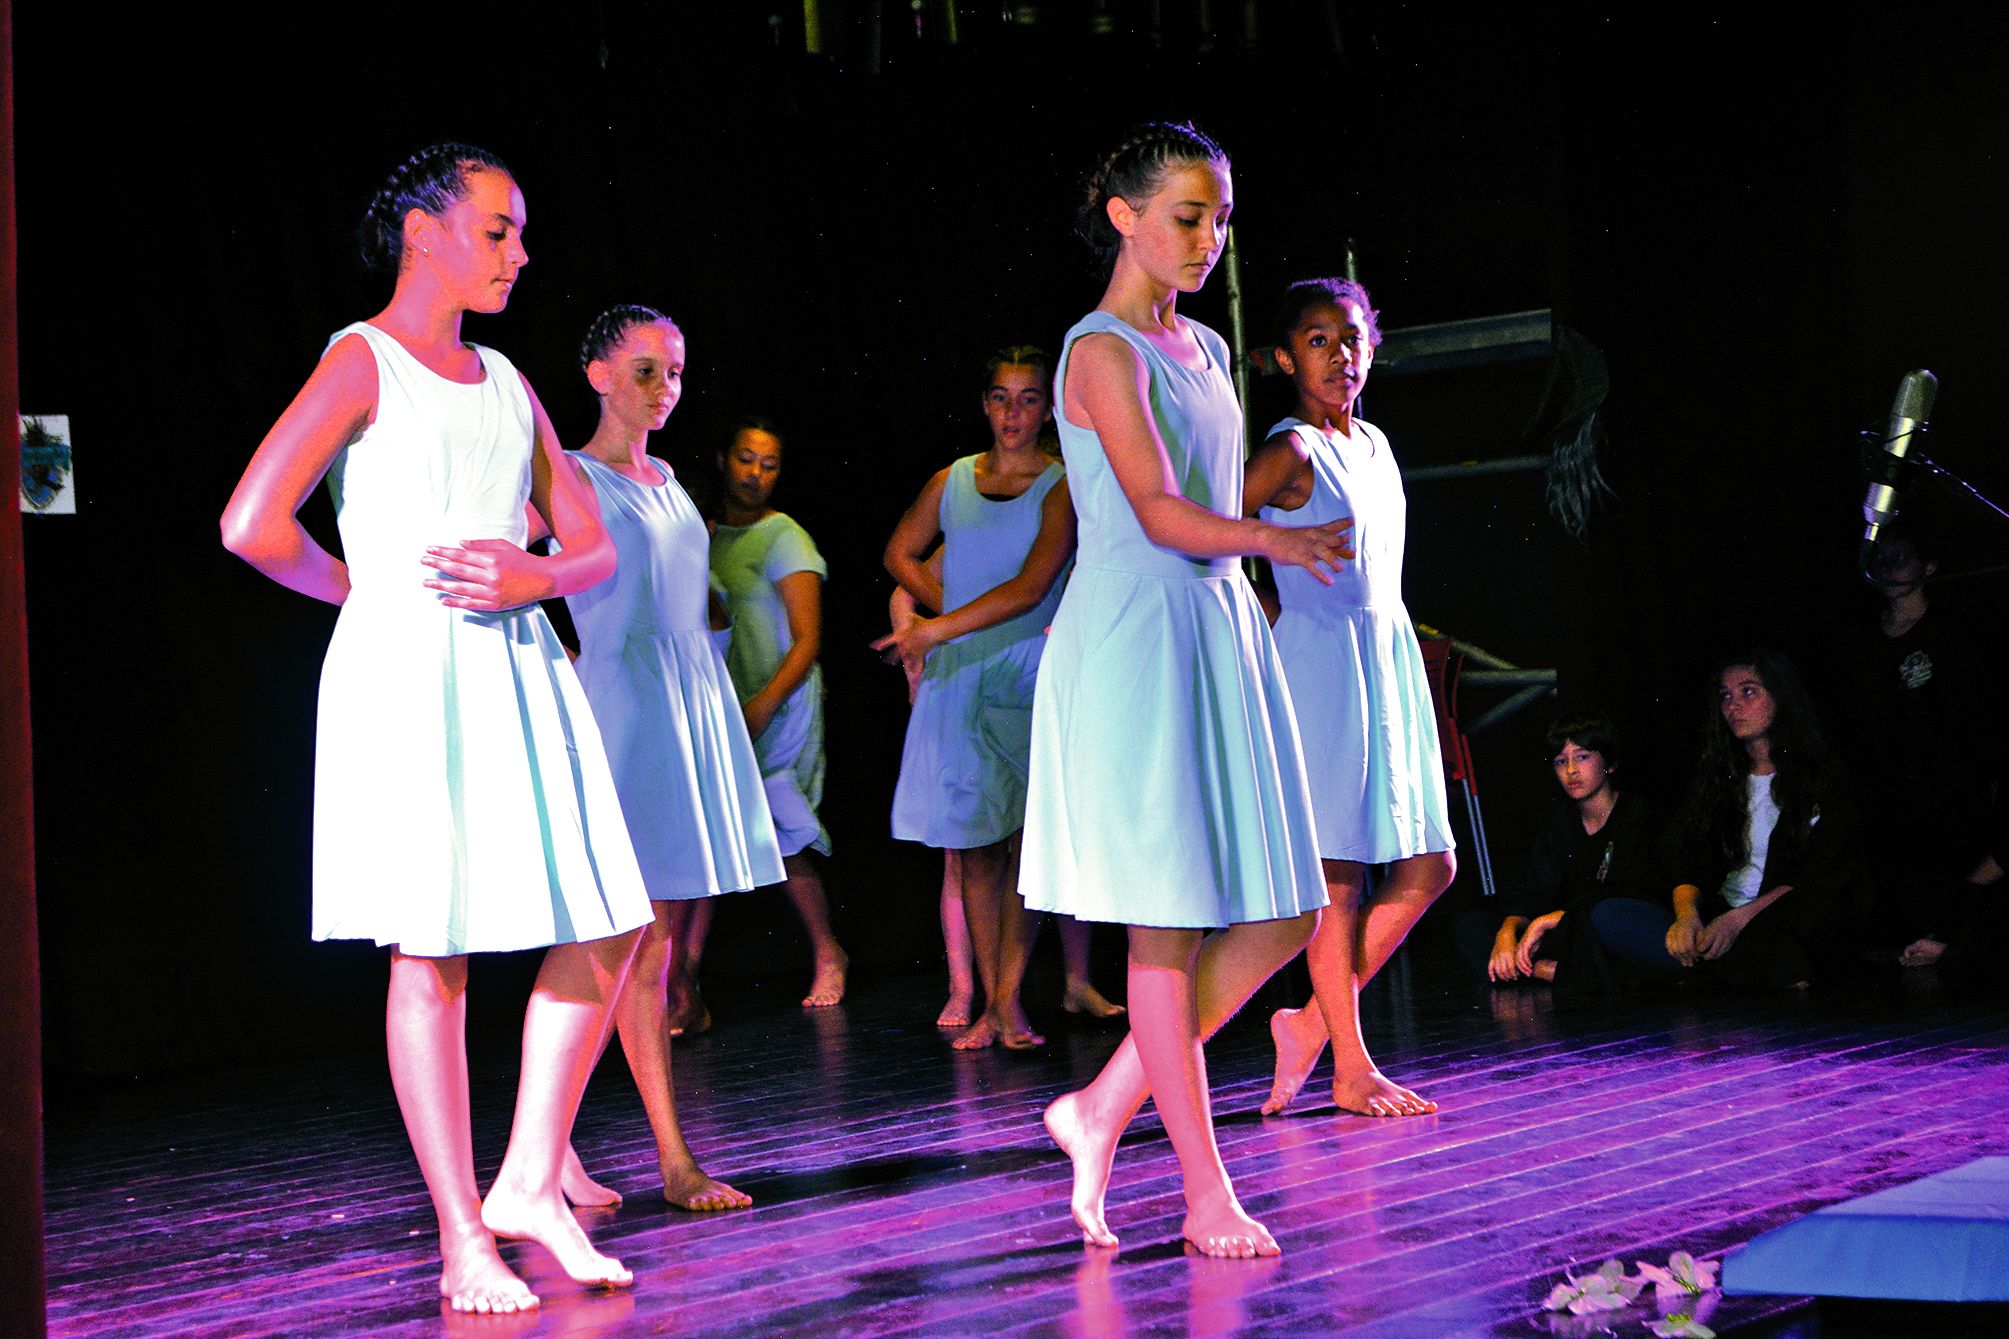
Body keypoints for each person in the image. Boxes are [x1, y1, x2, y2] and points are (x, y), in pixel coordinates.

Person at [219, 144, 646, 1312]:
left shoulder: (506, 381)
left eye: (519, 234)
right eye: (497, 230)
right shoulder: (362, 361)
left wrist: (532, 575)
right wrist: (368, 590)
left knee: (612, 918)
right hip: (412, 674)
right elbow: (253, 522)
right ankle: (464, 1234)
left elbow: (594, 545)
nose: (518, 251)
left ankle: (522, 1180)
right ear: (424, 232)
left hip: (515, 662)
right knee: (434, 947)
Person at [1021, 122, 1351, 1258]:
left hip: (1213, 628)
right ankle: (1203, 1189)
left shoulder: (1204, 347)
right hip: (1133, 633)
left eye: (1217, 217)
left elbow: (1204, 501)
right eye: (1184, 214)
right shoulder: (1096, 351)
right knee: (1162, 929)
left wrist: (1258, 546)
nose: (1208, 237)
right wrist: (1274, 537)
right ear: (1122, 214)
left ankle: (1101, 1107)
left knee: (1285, 909)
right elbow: (1159, 513)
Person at [545, 304, 772, 1212]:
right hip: (624, 710)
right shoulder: (565, 474)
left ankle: (652, 1156)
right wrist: (558, 662)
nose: (663, 388)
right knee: (608, 943)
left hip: (685, 701)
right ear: (597, 373)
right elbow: (518, 567)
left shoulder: (672, 476)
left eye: (673, 372)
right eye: (644, 370)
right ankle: (560, 1150)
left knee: (654, 947)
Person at [1241, 278, 1457, 1117]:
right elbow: (1208, 529)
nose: (1338, 355)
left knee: (1430, 864)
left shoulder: (1371, 440)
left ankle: (1307, 1024)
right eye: (1319, 339)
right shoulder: (1293, 448)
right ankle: (1349, 1061)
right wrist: (1266, 600)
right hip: (1322, 659)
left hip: (1384, 653)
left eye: (1352, 339)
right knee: (1338, 879)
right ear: (1285, 356)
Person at [877, 348, 1120, 1047]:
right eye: (1001, 397)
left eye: (1027, 399)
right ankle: (991, 1001)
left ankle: (1010, 999)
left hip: (1030, 672)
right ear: (984, 405)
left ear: (1046, 409)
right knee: (976, 848)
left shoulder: (1060, 485)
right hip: (962, 676)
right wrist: (943, 609)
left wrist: (940, 623)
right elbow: (899, 553)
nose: (1013, 413)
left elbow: (1032, 587)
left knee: (1025, 842)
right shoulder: (951, 480)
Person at [1590, 651, 1872, 990]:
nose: (1733, 706)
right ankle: (1719, 970)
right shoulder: (1720, 779)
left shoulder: (1819, 778)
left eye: (1748, 691)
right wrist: (1687, 917)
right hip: (1717, 915)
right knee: (1613, 915)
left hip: (1776, 915)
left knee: (1812, 927)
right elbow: (1687, 856)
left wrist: (1738, 921)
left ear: (1780, 697)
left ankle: (1704, 973)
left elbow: (1819, 873)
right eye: (1725, 696)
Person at [708, 418, 850, 1007]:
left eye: (769, 464)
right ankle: (682, 984)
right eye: (746, 459)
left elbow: (808, 639)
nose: (756, 474)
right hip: (722, 703)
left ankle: (828, 953)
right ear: (723, 460)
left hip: (778, 705)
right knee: (711, 836)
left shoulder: (784, 536)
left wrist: (763, 706)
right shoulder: (706, 533)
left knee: (782, 831)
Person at [1837, 519, 2000, 962]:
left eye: (1901, 558)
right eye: (1881, 559)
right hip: (1890, 784)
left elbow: (1975, 708)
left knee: (1958, 870)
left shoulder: (1949, 630)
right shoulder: (1862, 639)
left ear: (1928, 567)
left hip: (1950, 780)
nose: (1889, 569)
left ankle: (1955, 939)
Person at [1457, 713, 1664, 994]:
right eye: (1560, 761)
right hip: (1561, 934)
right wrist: (1508, 930)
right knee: (1471, 923)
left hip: (1597, 927)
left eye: (1582, 757)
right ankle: (1547, 970)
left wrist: (1548, 920)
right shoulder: (1560, 820)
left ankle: (1548, 971)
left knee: (1607, 919)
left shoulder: (1635, 813)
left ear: (1609, 763)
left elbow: (1629, 890)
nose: (1571, 770)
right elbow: (1531, 888)